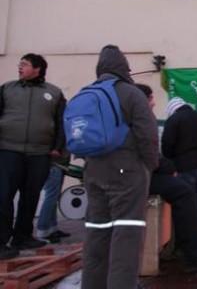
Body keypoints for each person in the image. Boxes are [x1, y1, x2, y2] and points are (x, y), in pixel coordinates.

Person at [81, 45, 159, 289]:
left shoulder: (87, 93)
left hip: (93, 172)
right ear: (124, 68)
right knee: (126, 238)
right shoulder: (131, 93)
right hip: (126, 172)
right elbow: (148, 135)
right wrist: (148, 166)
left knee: (96, 236)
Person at [136, 83, 197, 273]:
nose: (153, 102)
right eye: (151, 98)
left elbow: (165, 145)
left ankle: (185, 249)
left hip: (180, 165)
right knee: (192, 195)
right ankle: (193, 252)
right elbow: (149, 155)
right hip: (140, 175)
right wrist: (166, 167)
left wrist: (169, 163)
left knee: (187, 193)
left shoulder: (170, 120)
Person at [0, 53, 66, 260]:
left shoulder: (54, 93)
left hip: (40, 153)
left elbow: (61, 123)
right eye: (20, 64)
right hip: (9, 150)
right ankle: (2, 241)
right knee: (3, 197)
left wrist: (58, 147)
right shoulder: (7, 89)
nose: (20, 67)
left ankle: (23, 236)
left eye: (25, 64)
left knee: (31, 196)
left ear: (38, 69)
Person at [161, 97, 197, 232]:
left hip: (184, 164)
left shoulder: (173, 120)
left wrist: (169, 160)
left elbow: (167, 143)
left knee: (188, 196)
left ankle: (192, 227)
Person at [36, 150, 72, 243]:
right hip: (54, 164)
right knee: (51, 197)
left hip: (58, 165)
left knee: (53, 197)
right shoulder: (57, 135)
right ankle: (42, 231)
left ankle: (52, 229)